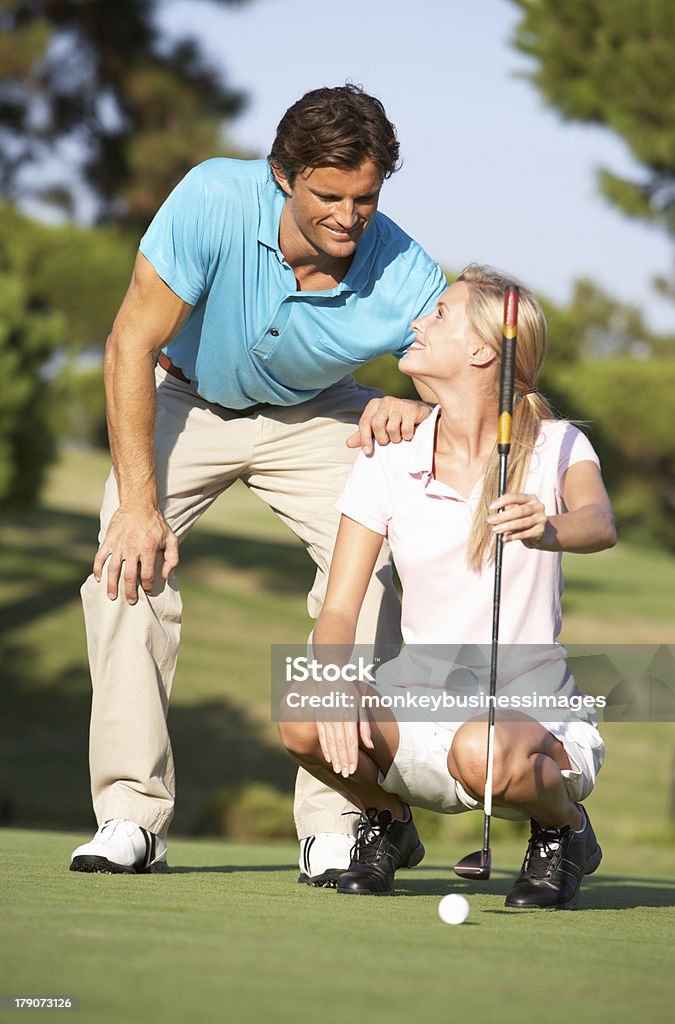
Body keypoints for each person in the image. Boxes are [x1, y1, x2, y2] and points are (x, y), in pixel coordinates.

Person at [70, 84, 446, 878]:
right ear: (283, 174)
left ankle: (338, 823)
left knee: (374, 575)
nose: (348, 217)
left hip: (321, 414)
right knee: (122, 571)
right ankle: (130, 819)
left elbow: (474, 368)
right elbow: (128, 343)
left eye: (365, 199)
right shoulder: (212, 196)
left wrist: (415, 407)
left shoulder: (404, 266)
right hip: (185, 396)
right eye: (328, 196)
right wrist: (138, 506)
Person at [279, 264, 617, 908]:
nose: (417, 323)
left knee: (482, 748)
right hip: (417, 706)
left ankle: (564, 830)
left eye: (438, 316)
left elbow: (599, 524)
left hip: (531, 719)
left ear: (483, 350)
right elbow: (341, 607)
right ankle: (388, 822)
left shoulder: (554, 445)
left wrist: (549, 527)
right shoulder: (389, 455)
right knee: (301, 710)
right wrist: (334, 681)